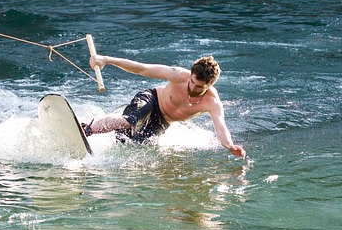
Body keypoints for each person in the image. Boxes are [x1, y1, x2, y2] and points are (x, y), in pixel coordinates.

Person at [83, 54, 246, 158]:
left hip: (162, 122)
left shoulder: (212, 102)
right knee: (129, 121)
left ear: (209, 86)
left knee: (135, 147)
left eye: (200, 87)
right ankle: (87, 129)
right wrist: (106, 60)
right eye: (193, 83)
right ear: (191, 75)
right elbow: (142, 68)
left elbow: (221, 129)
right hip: (151, 101)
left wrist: (230, 146)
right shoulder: (179, 75)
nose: (193, 89)